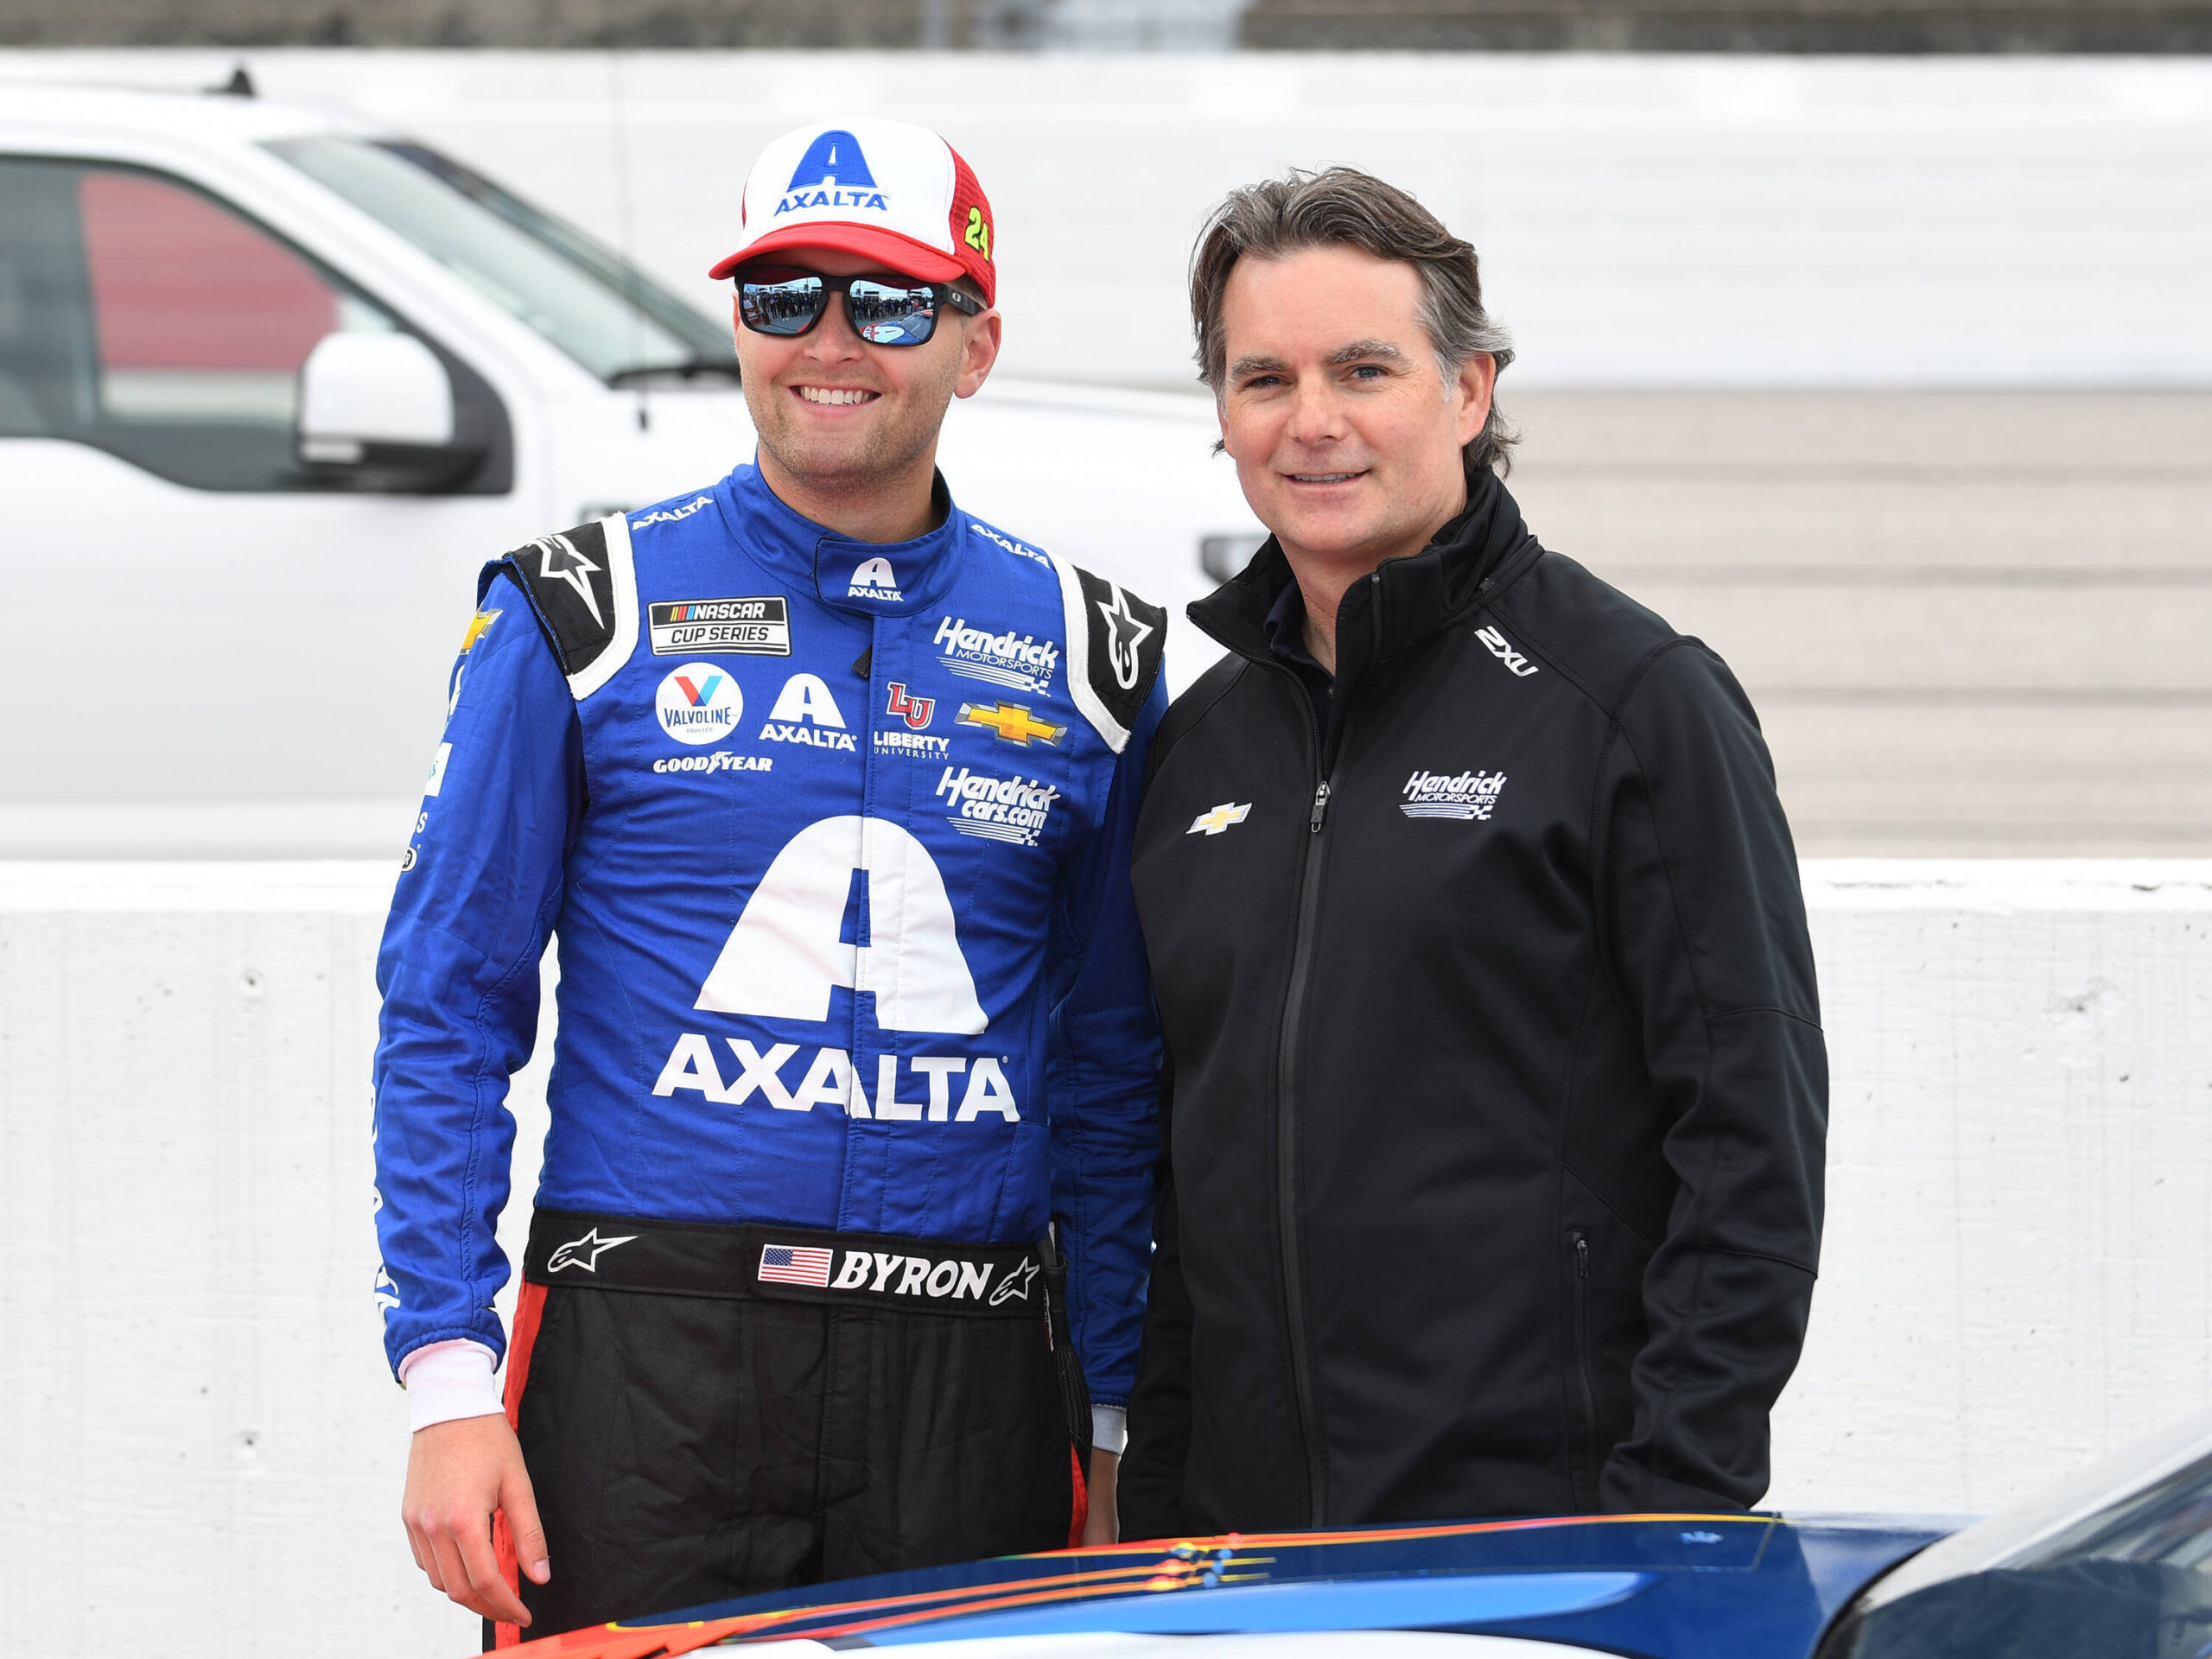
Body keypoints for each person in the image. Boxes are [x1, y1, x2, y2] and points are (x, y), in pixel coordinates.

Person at [372, 117, 1167, 1644]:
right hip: (644, 1356)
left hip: (971, 1379)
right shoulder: (578, 613)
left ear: (976, 342)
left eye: (887, 301)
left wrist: (1118, 1414)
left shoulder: (1095, 658)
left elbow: (1114, 1072)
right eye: (783, 293)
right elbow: (446, 1009)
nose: (829, 342)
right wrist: (448, 1384)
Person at [1119, 168, 1827, 1536]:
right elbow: (1178, 1194)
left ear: (1470, 391)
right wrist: (1159, 1526)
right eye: (1264, 378)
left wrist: (1663, 1521)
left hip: (1539, 1548)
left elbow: (1752, 1147)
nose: (1312, 423)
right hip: (1241, 1553)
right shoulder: (1198, 752)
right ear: (1222, 414)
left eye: (1365, 368)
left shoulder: (1630, 700)